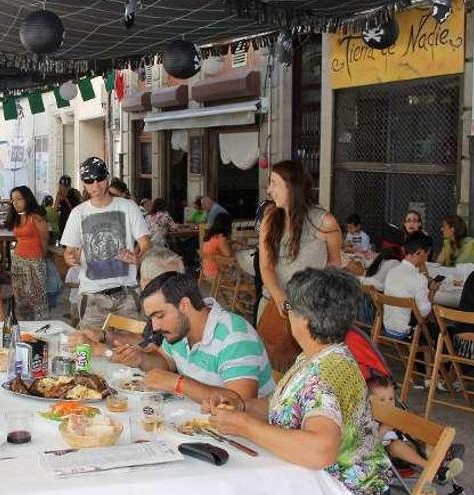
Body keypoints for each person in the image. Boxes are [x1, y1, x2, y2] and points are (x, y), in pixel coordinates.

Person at [206, 268, 392, 495]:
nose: (286, 313)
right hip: (305, 477)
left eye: (288, 307)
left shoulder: (328, 373)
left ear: (305, 320)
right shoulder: (316, 355)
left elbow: (320, 450)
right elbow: (281, 405)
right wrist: (240, 406)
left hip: (342, 487)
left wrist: (246, 426)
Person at [112, 272, 274, 404]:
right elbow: (165, 361)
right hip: (196, 421)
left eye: (159, 315)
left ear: (184, 305)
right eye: (151, 319)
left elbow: (241, 403)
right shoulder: (179, 331)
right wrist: (140, 359)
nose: (155, 327)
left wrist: (179, 384)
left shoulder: (235, 336)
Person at [257, 160, 341, 371]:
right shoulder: (270, 219)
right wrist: (280, 298)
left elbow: (334, 265)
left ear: (292, 186)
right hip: (273, 307)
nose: (269, 190)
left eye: (274, 184)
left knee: (309, 373)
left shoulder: (325, 222)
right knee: (270, 371)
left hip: (310, 312)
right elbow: (265, 266)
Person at [61, 157, 152, 329]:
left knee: (131, 349)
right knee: (87, 349)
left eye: (99, 179)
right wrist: (70, 258)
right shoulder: (77, 213)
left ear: (107, 178)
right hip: (92, 296)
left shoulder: (128, 207)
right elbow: (68, 252)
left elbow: (146, 244)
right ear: (84, 184)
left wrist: (138, 258)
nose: (95, 186)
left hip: (127, 293)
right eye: (89, 181)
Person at [69, 246, 185, 355]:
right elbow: (145, 341)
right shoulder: (165, 308)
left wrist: (99, 349)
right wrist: (104, 335)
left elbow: (152, 358)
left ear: (145, 282)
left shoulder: (170, 317)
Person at [367, 374, 465, 484]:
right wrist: (384, 429)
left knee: (423, 432)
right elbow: (369, 446)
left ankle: (445, 460)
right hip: (392, 456)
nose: (388, 403)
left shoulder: (397, 414)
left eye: (391, 398)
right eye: (382, 400)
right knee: (396, 446)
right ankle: (433, 468)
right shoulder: (369, 421)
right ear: (370, 402)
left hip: (414, 445)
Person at [382, 232, 439, 384]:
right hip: (406, 331)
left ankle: (424, 374)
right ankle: (431, 376)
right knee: (437, 330)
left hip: (388, 327)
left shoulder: (392, 272)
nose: (426, 258)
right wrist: (432, 290)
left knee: (425, 329)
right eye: (426, 254)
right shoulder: (417, 278)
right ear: (419, 252)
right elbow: (425, 313)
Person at [5, 186, 49, 320]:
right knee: (20, 298)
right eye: (13, 200)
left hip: (34, 262)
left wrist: (41, 259)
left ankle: (41, 330)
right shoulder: (17, 217)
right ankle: (23, 329)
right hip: (18, 261)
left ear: (27, 199)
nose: (16, 202)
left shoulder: (36, 217)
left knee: (37, 299)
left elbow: (45, 240)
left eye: (19, 199)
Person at [201, 213, 233, 280]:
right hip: (217, 275)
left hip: (206, 272)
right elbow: (230, 257)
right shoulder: (221, 239)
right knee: (244, 271)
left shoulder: (209, 237)